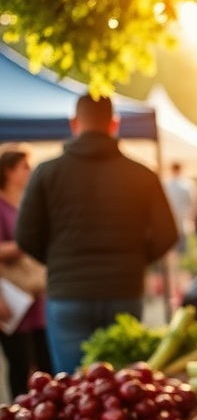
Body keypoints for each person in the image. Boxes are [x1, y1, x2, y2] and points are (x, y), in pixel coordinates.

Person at [16, 95, 178, 374]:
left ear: (74, 123)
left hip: (68, 291)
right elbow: (168, 234)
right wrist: (134, 259)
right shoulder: (142, 174)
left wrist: (59, 261)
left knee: (74, 389)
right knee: (122, 388)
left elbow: (25, 235)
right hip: (124, 290)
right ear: (115, 124)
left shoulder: (46, 172)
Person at [0, 144, 51, 396]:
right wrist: (25, 243)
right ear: (9, 171)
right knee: (21, 366)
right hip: (12, 298)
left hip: (35, 296)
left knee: (46, 365)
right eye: (24, 167)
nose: (30, 171)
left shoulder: (23, 203)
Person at [164, 161, 197, 254]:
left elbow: (195, 203)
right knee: (180, 250)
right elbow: (195, 203)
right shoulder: (187, 185)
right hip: (181, 221)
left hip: (177, 222)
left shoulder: (168, 184)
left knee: (176, 250)